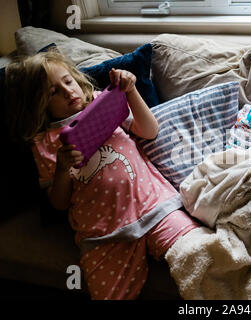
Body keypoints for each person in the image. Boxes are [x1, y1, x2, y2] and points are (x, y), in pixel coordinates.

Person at [5, 49, 201, 300]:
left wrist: (131, 91)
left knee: (199, 253)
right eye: (53, 92)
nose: (68, 91)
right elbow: (59, 203)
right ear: (38, 104)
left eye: (68, 81)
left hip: (155, 208)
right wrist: (63, 169)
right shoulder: (44, 143)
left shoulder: (102, 101)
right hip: (105, 235)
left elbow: (149, 131)